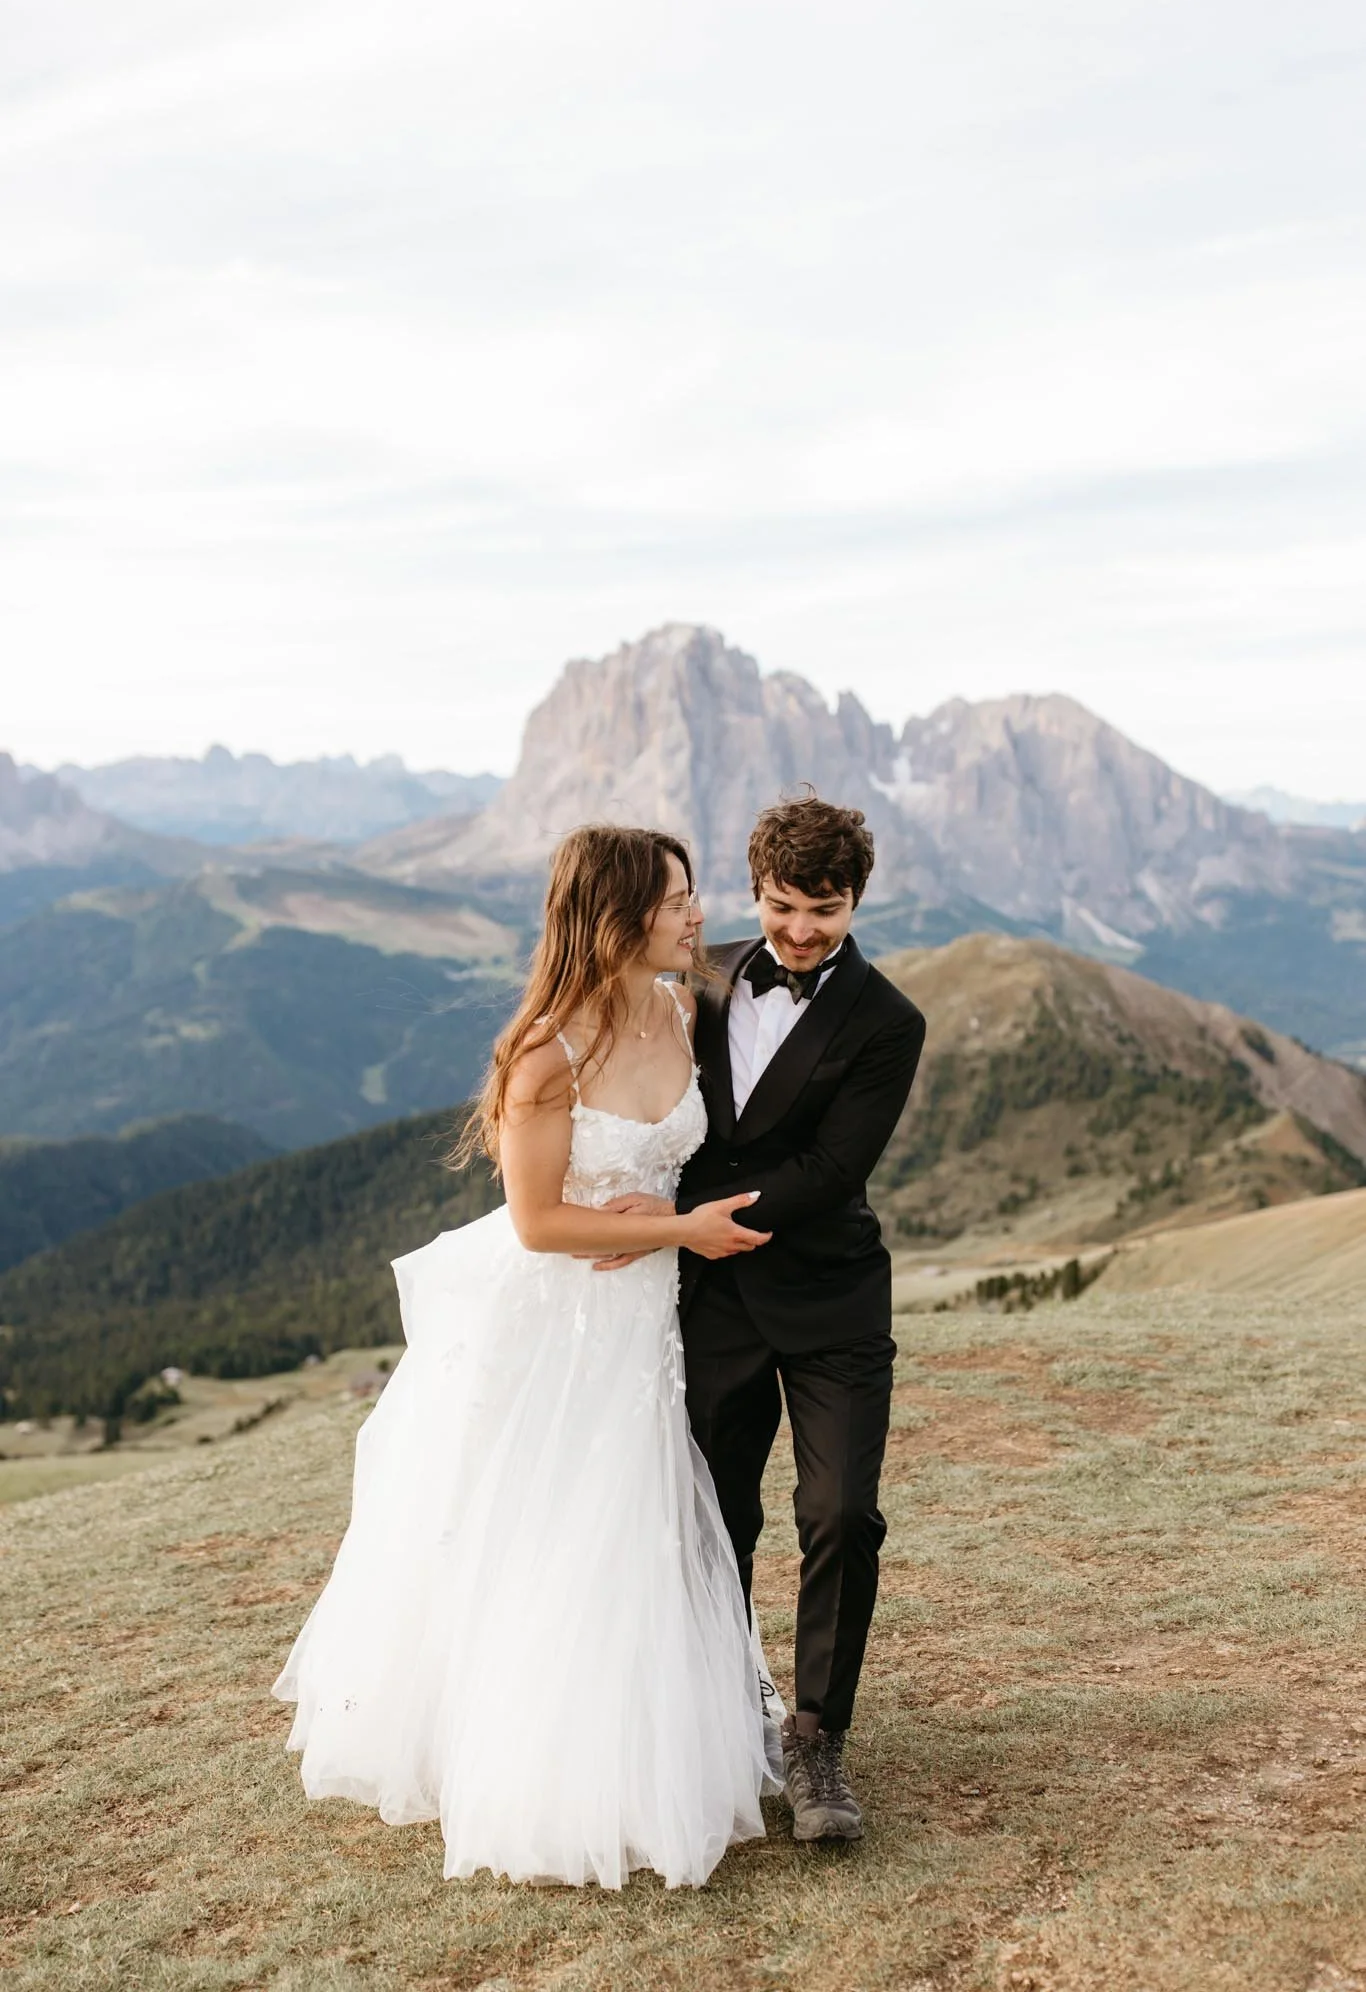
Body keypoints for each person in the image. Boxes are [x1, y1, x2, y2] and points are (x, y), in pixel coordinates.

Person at [273, 825, 778, 1890]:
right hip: (563, 1321)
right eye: (677, 899)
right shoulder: (546, 1057)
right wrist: (679, 1230)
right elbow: (540, 1221)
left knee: (635, 1517)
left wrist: (667, 1215)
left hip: (645, 1318)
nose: (698, 914)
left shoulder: (679, 1009)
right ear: (617, 916)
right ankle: (546, 1774)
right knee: (560, 1520)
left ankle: (640, 1746)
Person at [594, 795, 925, 1843]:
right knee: (715, 1513)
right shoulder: (698, 978)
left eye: (824, 910)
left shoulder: (889, 1021)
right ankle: (727, 1710)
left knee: (841, 1513)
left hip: (833, 1299)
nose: (800, 930)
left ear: (855, 900)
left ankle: (817, 1739)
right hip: (713, 1301)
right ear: (755, 893)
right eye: (784, 906)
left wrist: (688, 1217)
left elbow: (831, 1169)